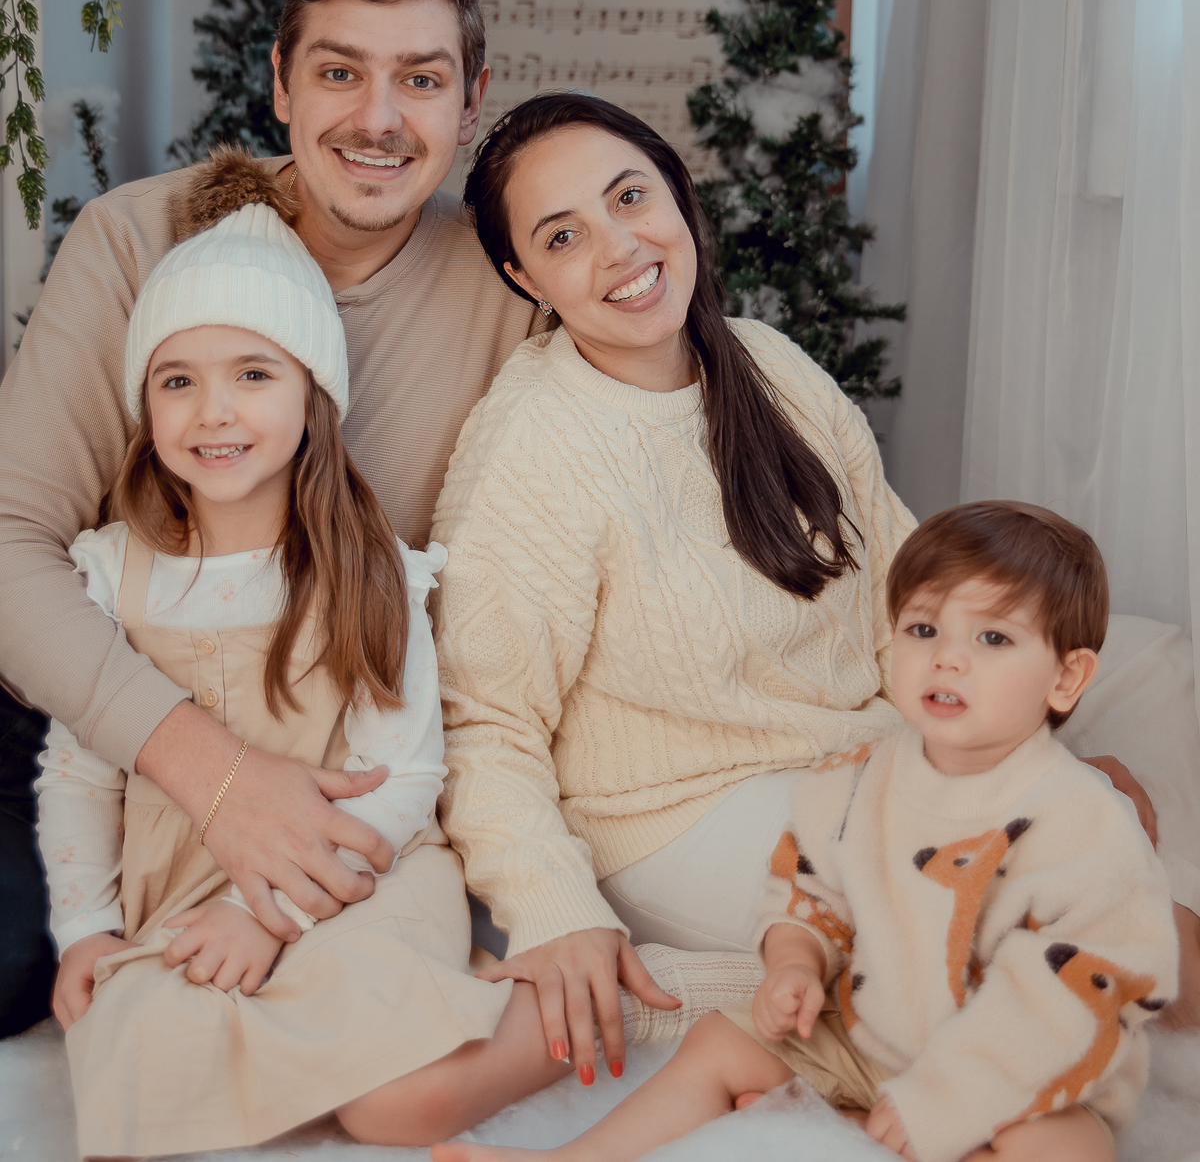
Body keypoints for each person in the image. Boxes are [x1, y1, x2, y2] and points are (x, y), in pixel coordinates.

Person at [427, 92, 1198, 1091]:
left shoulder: (767, 365)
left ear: (678, 197)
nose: (619, 247)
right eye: (564, 235)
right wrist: (552, 906)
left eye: (631, 197)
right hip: (679, 812)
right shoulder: (532, 450)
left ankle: (762, 984)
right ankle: (730, 998)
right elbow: (483, 721)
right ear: (521, 275)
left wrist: (1033, 750)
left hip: (861, 756)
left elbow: (905, 592)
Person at [0, 0, 572, 1038]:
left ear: (470, 102)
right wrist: (207, 770)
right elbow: (11, 542)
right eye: (339, 71)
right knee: (19, 965)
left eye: (420, 79)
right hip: (96, 720)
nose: (377, 118)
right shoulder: (134, 241)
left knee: (349, 1003)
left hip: (341, 732)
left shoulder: (510, 298)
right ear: (279, 83)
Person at [431, 502, 1179, 1162]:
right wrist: (793, 961)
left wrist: (950, 1104)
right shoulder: (862, 776)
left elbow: (1070, 1000)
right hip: (871, 1041)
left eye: (993, 640)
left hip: (1014, 1076)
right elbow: (806, 885)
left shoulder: (1082, 822)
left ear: (1066, 680)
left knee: (1066, 1149)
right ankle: (577, 1159)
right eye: (924, 628)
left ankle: (875, 1131)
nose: (947, 656)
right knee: (720, 1043)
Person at [33, 155, 524, 1155]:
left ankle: (560, 1005)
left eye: (253, 375)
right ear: (146, 404)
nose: (214, 412)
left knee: (395, 1106)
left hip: (359, 879)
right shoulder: (112, 572)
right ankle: (371, 1021)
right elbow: (81, 770)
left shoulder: (365, 563)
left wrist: (275, 919)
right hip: (186, 893)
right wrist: (87, 926)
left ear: (313, 396)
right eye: (179, 381)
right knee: (127, 1051)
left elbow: (407, 777)